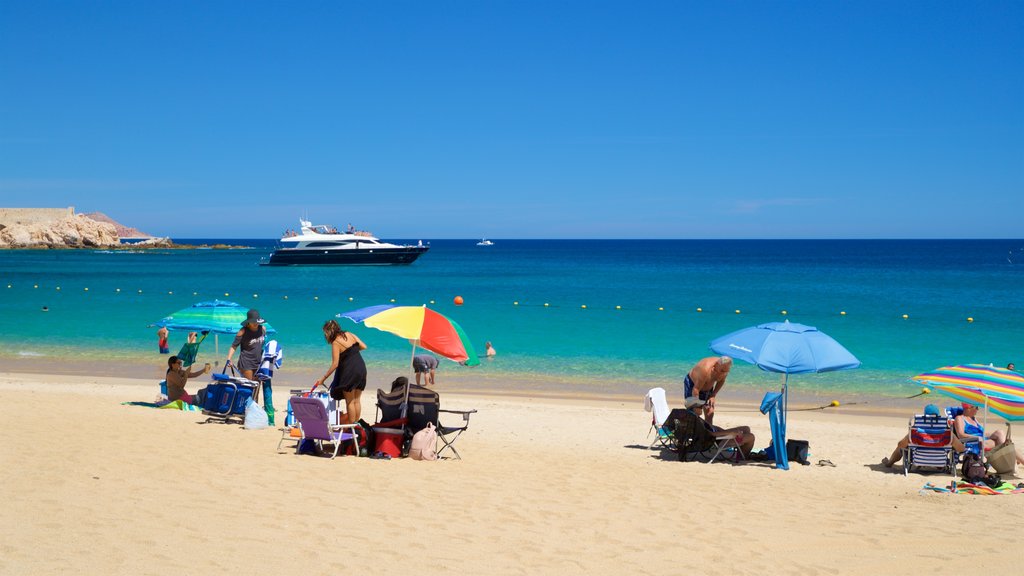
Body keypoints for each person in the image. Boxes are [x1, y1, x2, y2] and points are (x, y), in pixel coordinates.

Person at [314, 319, 368, 425]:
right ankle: (357, 426)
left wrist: (323, 379)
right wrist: (350, 354)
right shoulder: (349, 334)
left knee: (350, 401)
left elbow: (335, 364)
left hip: (350, 370)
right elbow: (363, 346)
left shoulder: (336, 342)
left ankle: (352, 428)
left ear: (329, 332)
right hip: (361, 368)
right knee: (357, 400)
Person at [880, 403, 944, 468]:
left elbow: (900, 444)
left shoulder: (918, 429)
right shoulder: (944, 429)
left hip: (919, 457)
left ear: (925, 415)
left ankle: (889, 463)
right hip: (939, 459)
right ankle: (938, 466)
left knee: (901, 448)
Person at [683, 356, 732, 426]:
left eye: (726, 371)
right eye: (722, 371)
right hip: (693, 385)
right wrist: (697, 405)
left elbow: (721, 381)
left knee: (710, 412)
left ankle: (708, 433)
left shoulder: (724, 368)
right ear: (716, 365)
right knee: (694, 413)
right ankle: (689, 432)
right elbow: (696, 389)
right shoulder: (705, 369)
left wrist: (713, 395)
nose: (723, 373)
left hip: (708, 388)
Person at [224, 309, 267, 379]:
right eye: (253, 321)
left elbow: (263, 345)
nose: (255, 323)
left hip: (259, 362)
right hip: (246, 363)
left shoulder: (263, 329)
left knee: (257, 386)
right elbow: (234, 346)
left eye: (256, 321)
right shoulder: (243, 331)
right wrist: (229, 359)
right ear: (248, 322)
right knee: (249, 386)